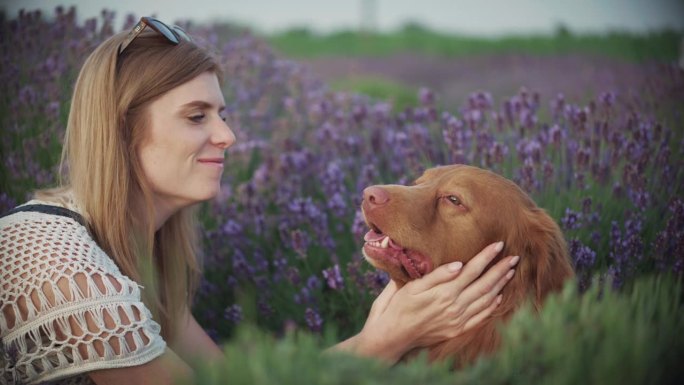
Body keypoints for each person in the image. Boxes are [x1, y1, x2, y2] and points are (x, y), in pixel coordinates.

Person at [0, 17, 519, 385]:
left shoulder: (144, 258)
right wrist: (384, 340)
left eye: (222, 113)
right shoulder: (57, 260)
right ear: (121, 131)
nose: (227, 135)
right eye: (197, 116)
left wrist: (390, 330)